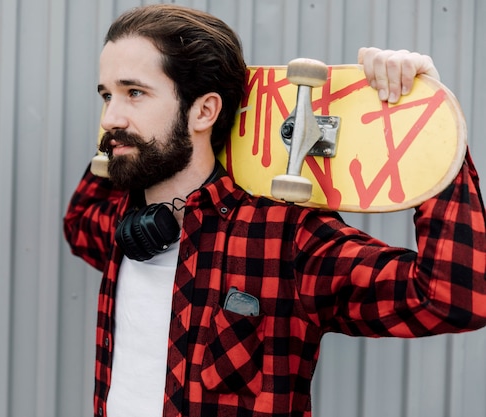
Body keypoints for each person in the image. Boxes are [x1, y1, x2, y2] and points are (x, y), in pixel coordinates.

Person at [64, 4, 486, 417]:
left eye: (134, 92)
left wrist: (432, 131)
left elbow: (452, 298)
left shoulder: (285, 238)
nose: (109, 117)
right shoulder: (124, 227)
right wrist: (123, 146)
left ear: (205, 110)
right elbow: (78, 223)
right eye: (107, 95)